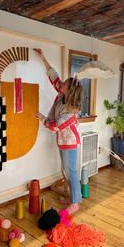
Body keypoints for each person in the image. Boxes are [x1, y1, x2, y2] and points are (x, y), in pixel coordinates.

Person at [34, 48, 83, 214]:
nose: (61, 84)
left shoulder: (71, 110)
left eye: (65, 85)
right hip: (63, 141)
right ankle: (72, 198)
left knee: (71, 171)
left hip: (70, 142)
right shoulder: (62, 95)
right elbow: (54, 77)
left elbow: (55, 126)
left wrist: (42, 118)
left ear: (69, 91)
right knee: (66, 170)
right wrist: (43, 57)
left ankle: (75, 204)